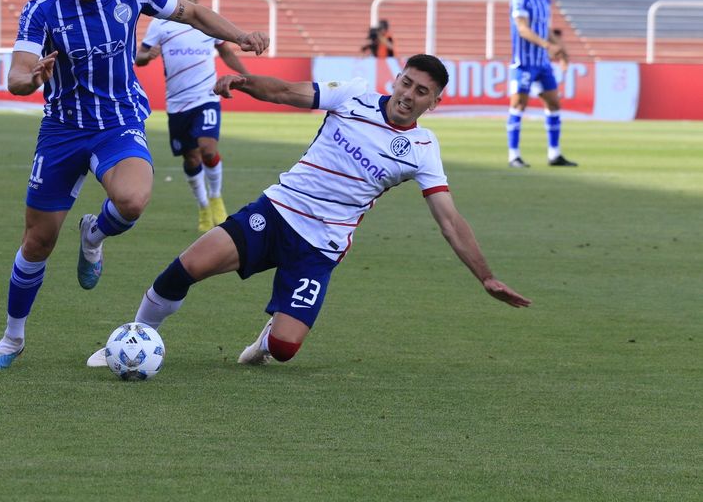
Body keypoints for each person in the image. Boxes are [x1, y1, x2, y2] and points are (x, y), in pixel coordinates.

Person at [86, 54, 531, 369]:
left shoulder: (423, 149)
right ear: (396, 79)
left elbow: (450, 221)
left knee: (283, 350)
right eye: (406, 83)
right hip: (278, 211)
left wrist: (486, 276)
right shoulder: (353, 96)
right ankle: (130, 340)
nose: (409, 95)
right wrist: (243, 82)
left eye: (422, 92)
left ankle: (266, 339)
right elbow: (285, 91)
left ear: (433, 103)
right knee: (185, 268)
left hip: (320, 248)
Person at [0, 0, 270, 370]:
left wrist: (240, 35)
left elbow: (192, 13)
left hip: (119, 120)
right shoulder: (42, 7)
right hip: (63, 128)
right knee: (38, 242)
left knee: (132, 200)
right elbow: (17, 73)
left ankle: (95, 233)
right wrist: (31, 78)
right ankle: (12, 338)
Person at [136, 0, 249, 233]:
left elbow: (226, 52)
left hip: (206, 96)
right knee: (191, 158)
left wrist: (247, 78)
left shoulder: (207, 22)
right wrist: (146, 55)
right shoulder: (160, 24)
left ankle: (217, 197)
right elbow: (140, 56)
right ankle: (202, 206)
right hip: (177, 103)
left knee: (208, 149)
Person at [507, 0, 576, 168]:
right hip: (524, 63)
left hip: (543, 64)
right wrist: (548, 46)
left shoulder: (546, 1)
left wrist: (561, 50)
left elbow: (544, 28)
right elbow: (523, 29)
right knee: (518, 105)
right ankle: (514, 156)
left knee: (554, 103)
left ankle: (554, 154)